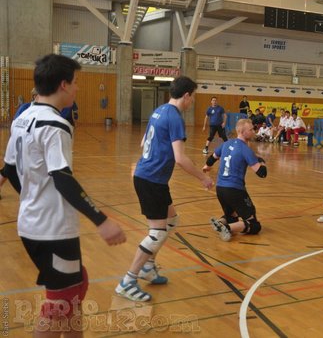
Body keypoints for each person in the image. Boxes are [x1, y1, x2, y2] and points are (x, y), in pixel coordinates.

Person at [1, 54, 126, 335]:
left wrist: (32, 197)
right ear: (63, 85)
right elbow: (63, 178)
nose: (78, 88)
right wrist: (101, 220)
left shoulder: (22, 119)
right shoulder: (55, 125)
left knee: (76, 287)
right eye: (76, 82)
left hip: (33, 223)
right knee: (60, 304)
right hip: (52, 229)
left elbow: (9, 170)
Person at [116, 76, 214, 302]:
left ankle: (148, 267)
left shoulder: (159, 110)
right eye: (193, 97)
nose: (192, 102)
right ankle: (128, 280)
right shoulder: (175, 118)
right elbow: (180, 158)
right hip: (151, 180)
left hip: (150, 177)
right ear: (187, 95)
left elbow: (143, 142)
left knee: (172, 220)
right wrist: (203, 178)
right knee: (157, 232)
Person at [204, 119, 266, 242]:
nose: (253, 131)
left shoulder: (226, 144)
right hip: (235, 189)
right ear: (242, 132)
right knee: (254, 225)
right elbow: (262, 173)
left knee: (232, 216)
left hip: (220, 189)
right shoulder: (245, 149)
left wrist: (207, 166)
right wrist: (261, 162)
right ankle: (226, 228)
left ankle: (221, 222)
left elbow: (211, 158)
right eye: (251, 130)